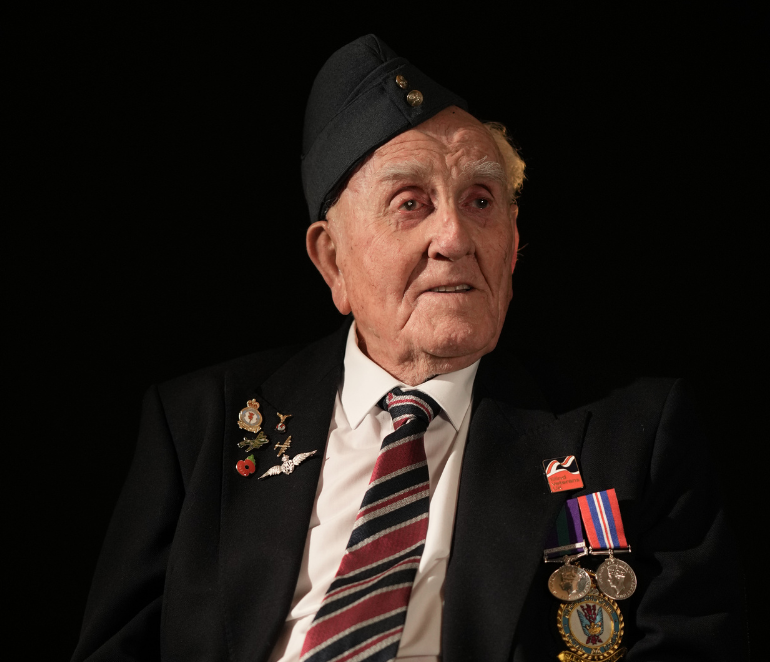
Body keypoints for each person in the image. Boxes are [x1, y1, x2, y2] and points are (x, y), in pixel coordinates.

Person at [71, 34, 746, 661]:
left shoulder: (633, 432)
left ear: (513, 250)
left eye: (481, 201)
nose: (454, 237)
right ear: (331, 260)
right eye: (409, 203)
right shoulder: (201, 424)